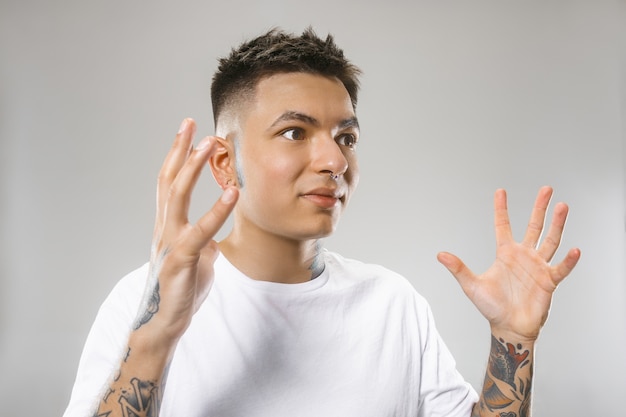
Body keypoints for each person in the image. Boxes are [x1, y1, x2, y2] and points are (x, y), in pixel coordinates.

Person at [63, 28, 580, 417]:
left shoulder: (392, 303)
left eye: (347, 137)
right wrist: (157, 335)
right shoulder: (142, 301)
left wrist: (513, 340)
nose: (334, 160)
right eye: (294, 132)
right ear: (224, 162)